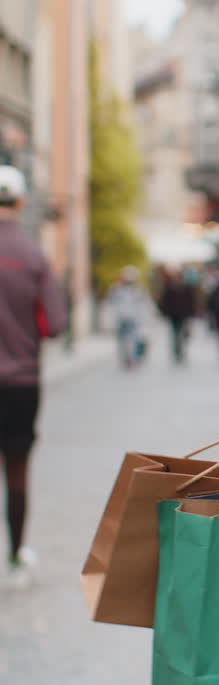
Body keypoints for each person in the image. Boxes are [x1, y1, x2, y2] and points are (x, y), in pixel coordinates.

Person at [0, 165, 66, 588]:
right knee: (17, 468)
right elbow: (55, 323)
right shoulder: (33, 255)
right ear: (22, 202)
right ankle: (16, 552)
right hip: (21, 382)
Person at [104, 265, 153, 370]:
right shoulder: (116, 289)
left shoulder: (139, 290)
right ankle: (125, 359)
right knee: (121, 341)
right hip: (121, 319)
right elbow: (111, 305)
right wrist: (110, 320)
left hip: (134, 319)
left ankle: (132, 359)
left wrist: (146, 319)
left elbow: (145, 305)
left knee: (133, 340)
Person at [158, 266, 197, 365]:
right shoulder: (169, 288)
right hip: (173, 315)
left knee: (183, 333)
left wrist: (191, 313)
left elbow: (191, 302)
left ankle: (181, 350)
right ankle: (177, 351)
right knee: (175, 334)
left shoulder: (186, 288)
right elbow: (165, 302)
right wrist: (164, 313)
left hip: (183, 315)